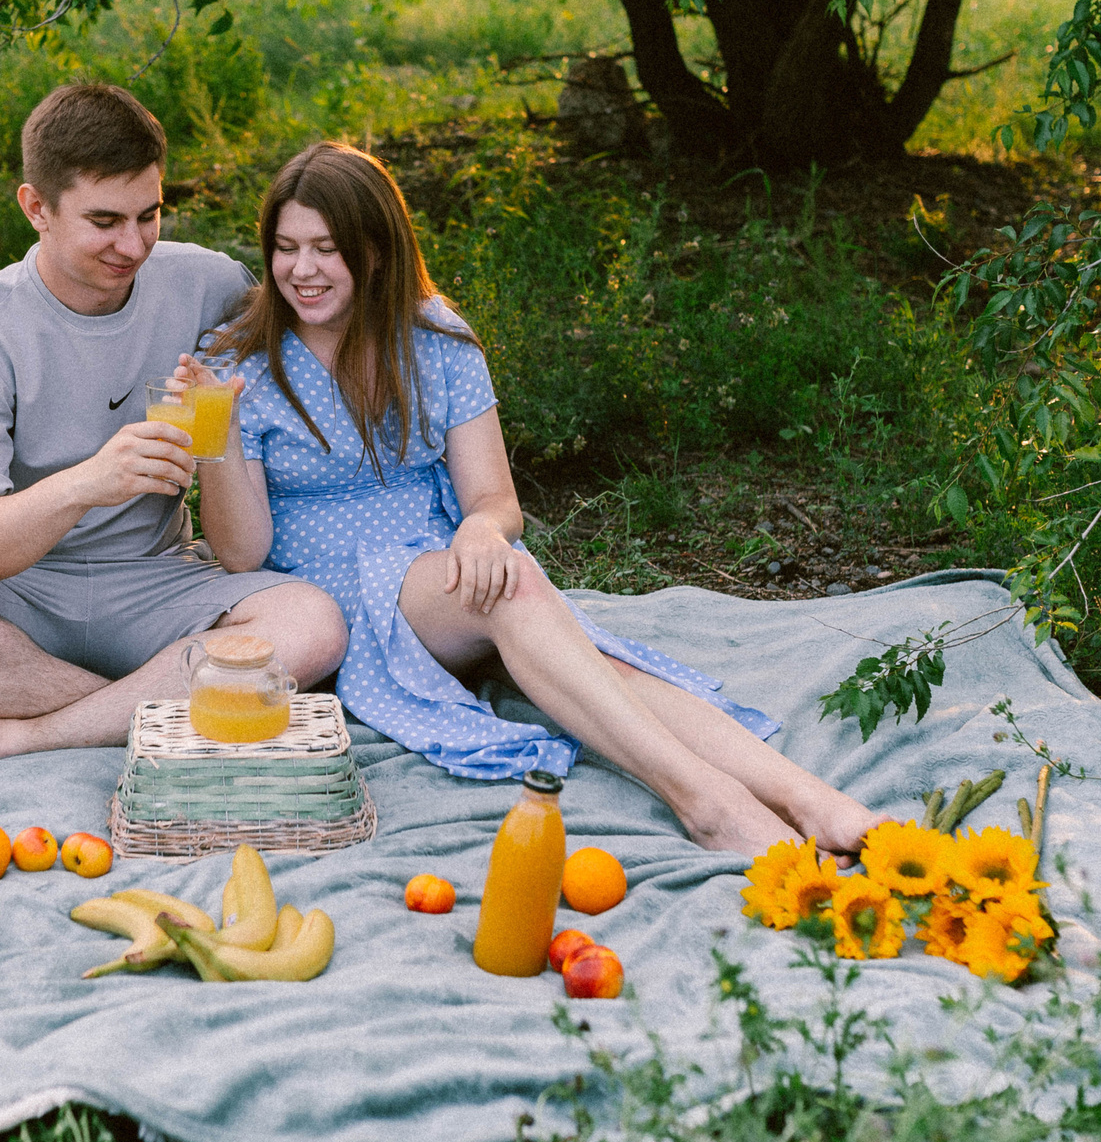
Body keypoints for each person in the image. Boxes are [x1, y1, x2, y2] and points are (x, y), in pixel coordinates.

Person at [187, 141, 884, 857]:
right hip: (333, 592)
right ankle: (706, 802)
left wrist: (484, 531)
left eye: (327, 248)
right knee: (515, 593)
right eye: (286, 247)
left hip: (442, 572)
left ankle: (807, 796)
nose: (302, 270)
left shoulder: (432, 337)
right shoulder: (238, 361)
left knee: (597, 669)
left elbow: (493, 497)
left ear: (376, 250)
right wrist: (218, 428)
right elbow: (242, 552)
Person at [0, 83, 346, 765]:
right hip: (15, 594)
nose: (132, 245)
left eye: (150, 214)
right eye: (104, 221)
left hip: (157, 581)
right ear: (36, 208)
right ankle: (139, 706)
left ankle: (37, 731)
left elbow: (324, 344)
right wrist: (89, 482)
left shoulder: (206, 284)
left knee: (312, 623)